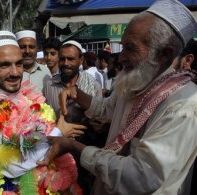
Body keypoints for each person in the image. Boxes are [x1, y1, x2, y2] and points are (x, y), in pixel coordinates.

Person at [39, 0, 197, 194]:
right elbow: (106, 110)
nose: (121, 58)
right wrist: (77, 94)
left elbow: (141, 176)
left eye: (130, 48)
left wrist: (75, 147)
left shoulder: (184, 105)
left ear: (165, 53)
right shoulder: (137, 80)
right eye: (122, 47)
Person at [0, 31, 85, 194]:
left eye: (19, 63)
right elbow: (15, 165)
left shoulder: (33, 100)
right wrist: (59, 132)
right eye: (4, 65)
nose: (15, 72)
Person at [44, 40, 103, 194]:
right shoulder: (49, 85)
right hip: (58, 152)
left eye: (70, 59)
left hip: (84, 151)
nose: (65, 63)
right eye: (62, 59)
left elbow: (100, 120)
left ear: (80, 60)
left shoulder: (93, 85)